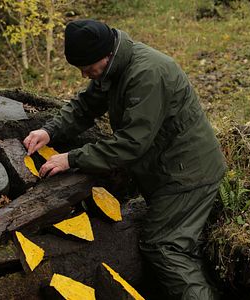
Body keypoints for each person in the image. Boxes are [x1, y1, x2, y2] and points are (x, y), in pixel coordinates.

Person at [23, 19, 226, 299]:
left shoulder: (147, 74)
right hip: (167, 170)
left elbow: (132, 143)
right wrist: (49, 130)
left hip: (188, 174)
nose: (84, 75)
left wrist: (72, 159)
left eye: (86, 68)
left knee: (164, 246)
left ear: (104, 55)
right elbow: (84, 106)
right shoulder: (114, 67)